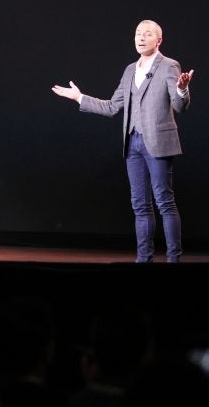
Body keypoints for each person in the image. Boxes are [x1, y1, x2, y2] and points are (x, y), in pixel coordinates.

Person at [52, 19, 194, 263]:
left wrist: (183, 89)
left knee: (164, 202)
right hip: (133, 144)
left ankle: (173, 260)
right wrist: (79, 97)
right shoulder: (130, 70)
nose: (141, 38)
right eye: (138, 33)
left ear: (159, 40)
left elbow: (180, 106)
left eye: (147, 34)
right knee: (140, 205)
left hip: (158, 142)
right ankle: (143, 259)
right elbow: (111, 107)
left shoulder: (169, 66)